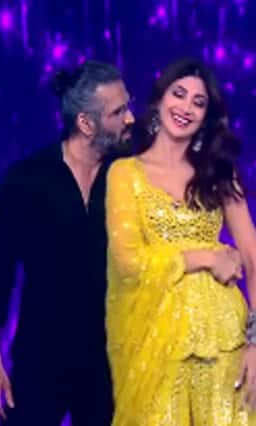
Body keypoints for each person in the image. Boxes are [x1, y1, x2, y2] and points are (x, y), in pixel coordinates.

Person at [0, 60, 134, 425]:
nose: (130, 119)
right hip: (40, 356)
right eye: (118, 112)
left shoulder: (129, 177)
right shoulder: (28, 179)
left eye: (128, 106)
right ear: (86, 123)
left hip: (110, 361)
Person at [106, 57, 256, 425]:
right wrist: (206, 257)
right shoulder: (125, 174)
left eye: (198, 102)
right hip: (156, 342)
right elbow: (128, 262)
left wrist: (255, 343)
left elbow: (252, 258)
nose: (186, 107)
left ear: (206, 118)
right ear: (159, 100)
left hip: (225, 341)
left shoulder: (219, 174)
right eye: (179, 94)